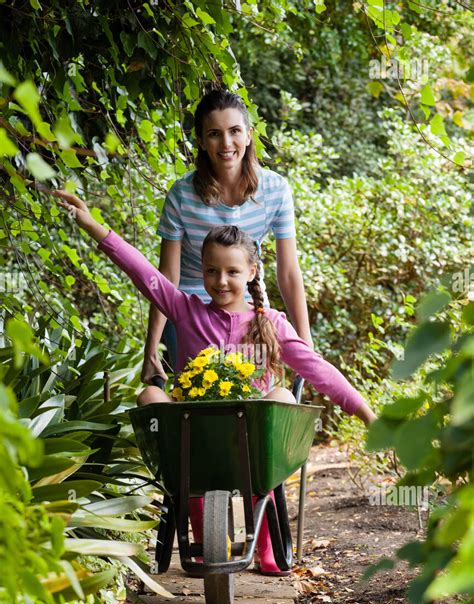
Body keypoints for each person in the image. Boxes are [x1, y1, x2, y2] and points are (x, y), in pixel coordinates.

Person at [54, 190, 377, 576]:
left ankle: (266, 538)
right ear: (202, 271)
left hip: (254, 443)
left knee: (278, 394)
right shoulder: (186, 311)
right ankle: (204, 529)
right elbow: (144, 274)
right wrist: (93, 225)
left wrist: (366, 414)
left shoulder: (270, 324)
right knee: (151, 393)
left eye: (232, 272)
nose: (221, 281)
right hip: (196, 439)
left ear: (252, 272)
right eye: (211, 271)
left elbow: (317, 369)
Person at [141, 89, 313, 387]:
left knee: (253, 391)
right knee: (199, 391)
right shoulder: (182, 194)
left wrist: (305, 346)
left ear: (249, 135)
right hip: (191, 307)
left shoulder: (275, 190)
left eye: (234, 131)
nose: (226, 143)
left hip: (247, 301)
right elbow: (167, 276)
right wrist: (151, 348)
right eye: (214, 134)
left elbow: (287, 273)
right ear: (201, 142)